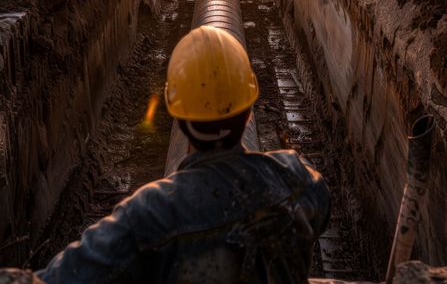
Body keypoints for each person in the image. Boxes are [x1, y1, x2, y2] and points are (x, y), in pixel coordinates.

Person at [37, 25, 330, 283]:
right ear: (248, 109)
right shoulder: (297, 179)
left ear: (178, 115)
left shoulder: (150, 214)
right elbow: (321, 209)